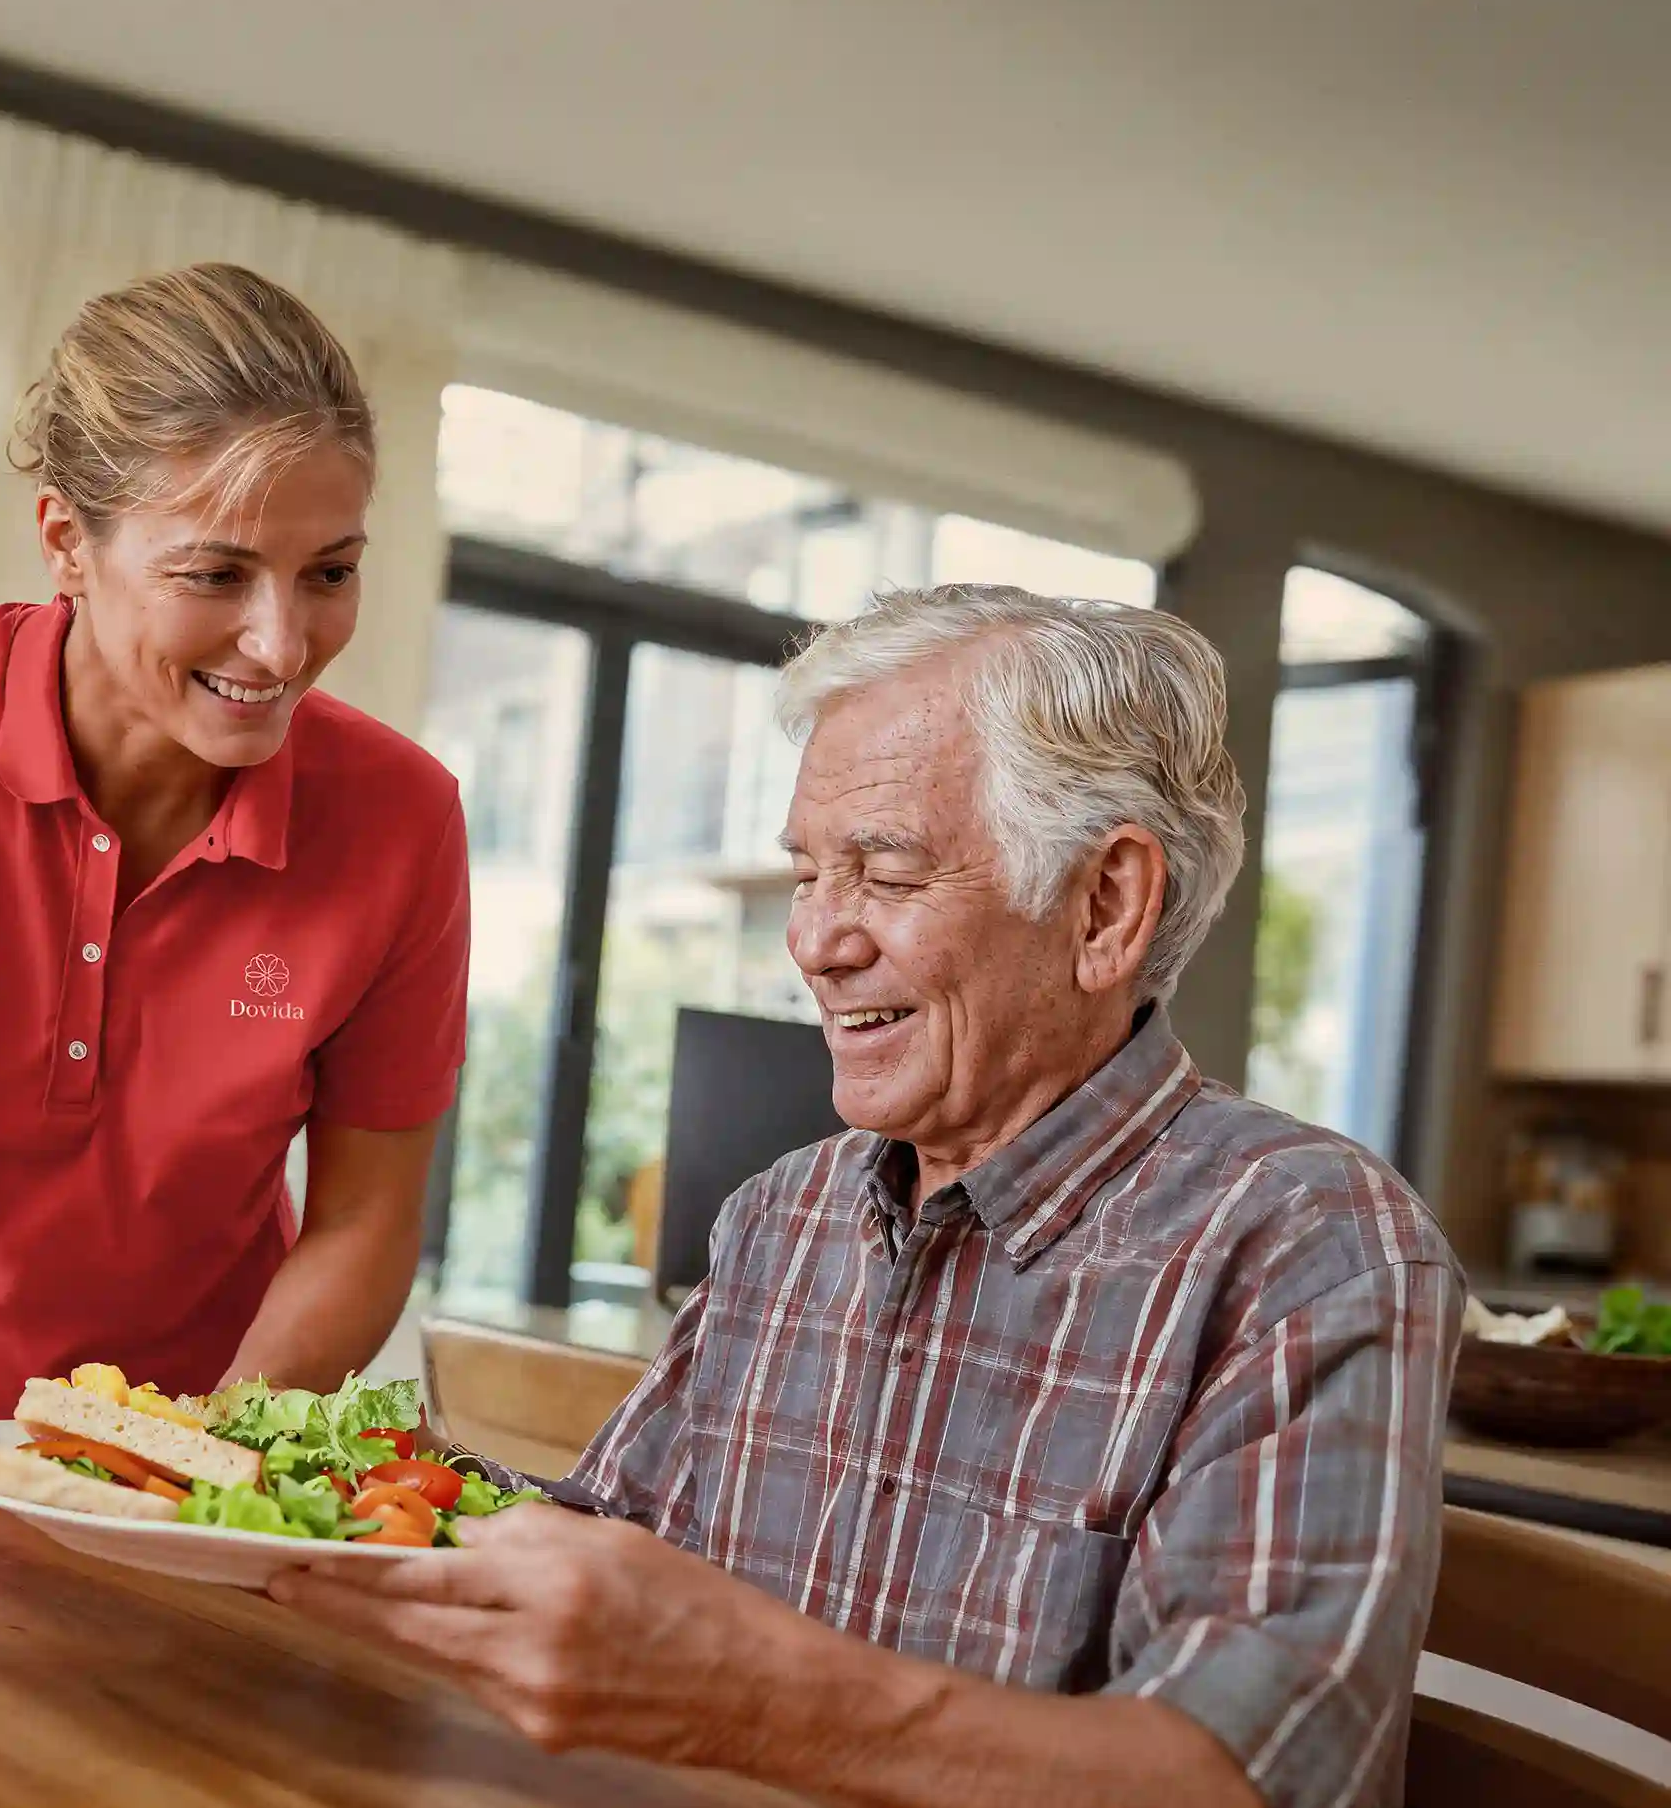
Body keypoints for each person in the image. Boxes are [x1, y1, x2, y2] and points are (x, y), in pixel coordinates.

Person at [279, 585, 1460, 1808]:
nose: (814, 940)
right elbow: (617, 1549)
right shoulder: (780, 1217)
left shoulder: (1307, 1247)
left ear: (1106, 905)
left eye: (884, 873)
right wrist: (321, 1485)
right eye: (807, 872)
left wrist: (754, 1701)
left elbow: (1242, 1785)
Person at [0, 263, 468, 1484]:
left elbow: (364, 1217)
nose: (281, 645)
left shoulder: (402, 821)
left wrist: (215, 1449)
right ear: (68, 541)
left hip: (195, 1430)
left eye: (329, 572)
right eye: (215, 574)